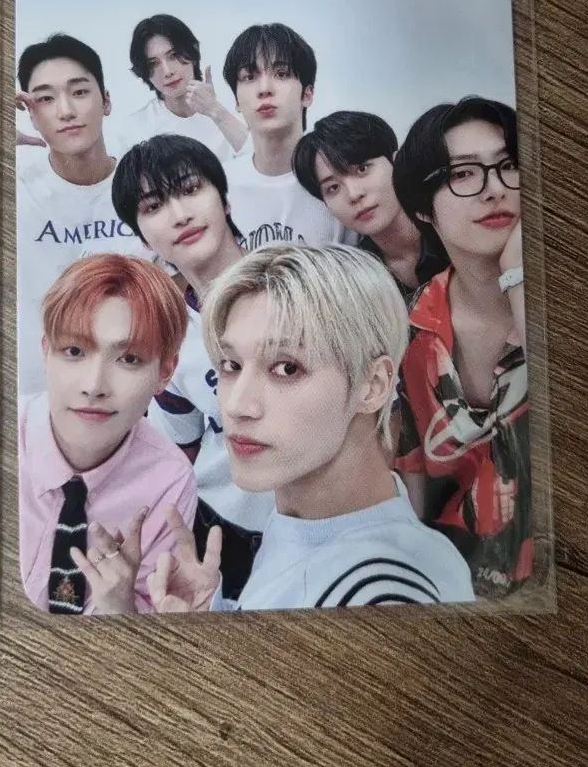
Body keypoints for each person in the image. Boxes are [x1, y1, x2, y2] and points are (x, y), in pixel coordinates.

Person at [146, 245, 475, 613]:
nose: (236, 406)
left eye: (287, 368)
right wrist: (212, 614)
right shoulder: (315, 522)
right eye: (230, 365)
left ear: (373, 385)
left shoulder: (378, 591)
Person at [111, 134, 274, 597]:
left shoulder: (300, 283)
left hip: (317, 518)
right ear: (143, 235)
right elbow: (180, 448)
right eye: (154, 206)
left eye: (189, 189)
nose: (179, 214)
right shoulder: (165, 335)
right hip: (224, 528)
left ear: (224, 199)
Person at [390, 96, 531, 599]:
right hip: (457, 584)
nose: (495, 189)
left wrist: (518, 276)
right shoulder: (407, 332)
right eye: (464, 174)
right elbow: (410, 476)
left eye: (508, 166)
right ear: (422, 207)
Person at [18, 254, 197, 615]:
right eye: (74, 351)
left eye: (129, 359)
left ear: (165, 371)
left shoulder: (169, 482)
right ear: (46, 352)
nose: (94, 385)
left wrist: (122, 608)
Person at [16, 33, 152, 396]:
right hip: (37, 396)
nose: (65, 111)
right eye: (45, 99)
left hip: (136, 394)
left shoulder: (150, 187)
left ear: (106, 101)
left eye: (79, 92)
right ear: (30, 114)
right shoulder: (13, 191)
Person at [221, 23, 354, 250]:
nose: (264, 88)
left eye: (281, 74)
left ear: (307, 94)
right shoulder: (220, 187)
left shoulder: (341, 180)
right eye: (249, 76)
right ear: (236, 100)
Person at [293, 110, 448, 303]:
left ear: (396, 162)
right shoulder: (352, 283)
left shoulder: (452, 231)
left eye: (362, 169)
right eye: (333, 188)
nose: (354, 194)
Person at [119, 14, 248, 160]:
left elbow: (258, 159)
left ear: (192, 53)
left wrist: (215, 110)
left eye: (173, 55)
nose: (167, 71)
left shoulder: (233, 111)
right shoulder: (136, 129)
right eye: (153, 63)